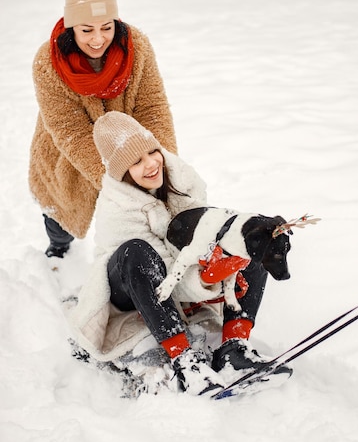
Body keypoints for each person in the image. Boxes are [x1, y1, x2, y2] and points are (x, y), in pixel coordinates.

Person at [68, 111, 277, 397]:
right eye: (136, 162)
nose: (151, 164)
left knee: (250, 237)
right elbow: (165, 276)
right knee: (136, 252)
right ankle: (185, 360)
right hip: (128, 287)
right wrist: (206, 280)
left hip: (172, 276)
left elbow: (201, 234)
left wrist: (226, 256)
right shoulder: (116, 208)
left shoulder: (180, 179)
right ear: (123, 172)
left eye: (153, 152)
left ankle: (233, 349)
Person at [29, 0, 177, 258]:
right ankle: (59, 248)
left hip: (133, 149)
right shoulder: (48, 61)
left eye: (106, 27)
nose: (98, 39)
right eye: (86, 30)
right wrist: (118, 180)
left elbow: (152, 108)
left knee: (134, 219)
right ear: (72, 27)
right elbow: (70, 131)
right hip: (67, 156)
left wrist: (164, 166)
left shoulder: (138, 47)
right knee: (63, 215)